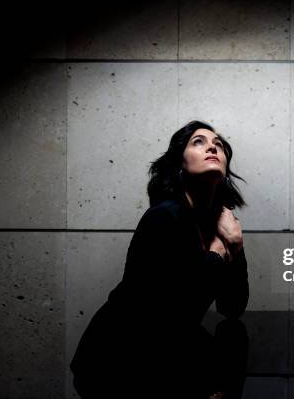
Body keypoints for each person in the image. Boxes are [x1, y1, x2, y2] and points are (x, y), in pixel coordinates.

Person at [70, 120, 250, 398]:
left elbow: (232, 307)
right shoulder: (163, 217)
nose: (213, 146)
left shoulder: (222, 227)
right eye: (198, 142)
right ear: (180, 164)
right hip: (116, 361)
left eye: (219, 144)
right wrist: (216, 256)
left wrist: (235, 247)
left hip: (166, 353)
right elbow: (169, 313)